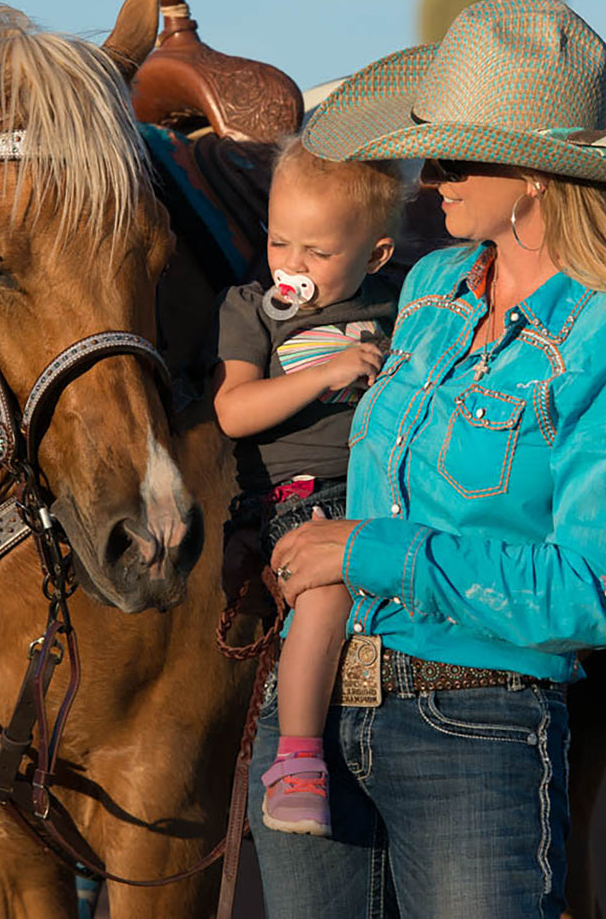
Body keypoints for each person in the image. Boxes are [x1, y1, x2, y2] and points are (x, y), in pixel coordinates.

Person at [249, 0, 606, 918]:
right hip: (310, 718)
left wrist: (366, 553)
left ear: (539, 175)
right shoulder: (428, 290)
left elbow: (592, 593)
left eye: (457, 153)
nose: (430, 174)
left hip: (475, 728)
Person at [213, 138, 404, 837]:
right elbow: (234, 410)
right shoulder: (254, 310)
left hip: (388, 493)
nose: (291, 266)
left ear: (375, 256)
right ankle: (296, 761)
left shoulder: (403, 302)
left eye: (316, 254)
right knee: (323, 598)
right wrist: (323, 374)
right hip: (302, 499)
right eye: (278, 242)